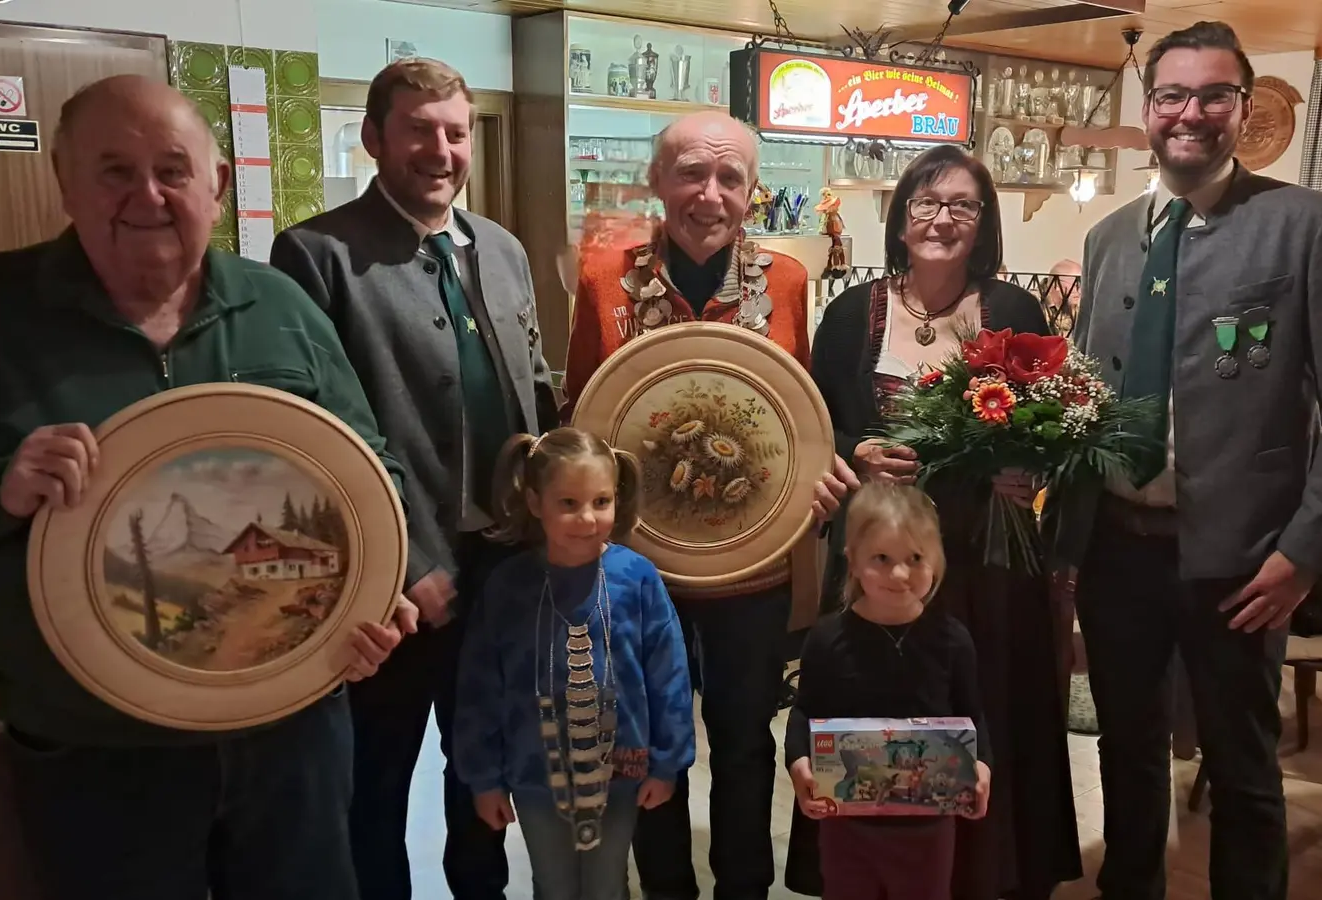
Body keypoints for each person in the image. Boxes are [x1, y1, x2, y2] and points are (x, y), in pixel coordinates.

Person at [0, 75, 415, 900]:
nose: (148, 196)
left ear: (218, 184)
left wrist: (376, 592)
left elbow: (368, 471)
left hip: (291, 737)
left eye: (172, 169)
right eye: (113, 171)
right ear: (63, 181)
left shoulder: (281, 308)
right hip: (95, 748)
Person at [1059, 21, 1322, 900]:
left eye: (1215, 95)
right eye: (1173, 95)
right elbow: (1088, 398)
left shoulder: (1308, 225)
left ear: (1245, 110)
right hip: (1118, 548)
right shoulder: (1112, 237)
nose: (1191, 113)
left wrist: (1306, 555)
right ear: (1148, 109)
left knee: (1244, 772)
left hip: (1243, 562)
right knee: (1126, 755)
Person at [270, 57, 557, 900]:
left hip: (504, 567)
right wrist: (409, 562)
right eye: (419, 131)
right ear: (373, 139)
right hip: (386, 586)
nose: (441, 149)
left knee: (483, 775)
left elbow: (537, 388)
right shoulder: (316, 254)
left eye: (455, 132)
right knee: (375, 787)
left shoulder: (501, 249)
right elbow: (318, 432)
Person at [561, 110, 857, 900]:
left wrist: (818, 476)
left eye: (730, 177)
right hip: (637, 570)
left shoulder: (787, 281)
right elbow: (579, 416)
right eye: (691, 172)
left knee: (741, 735)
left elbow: (803, 417)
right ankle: (665, 887)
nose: (710, 193)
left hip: (753, 565)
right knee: (648, 737)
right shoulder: (601, 278)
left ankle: (744, 887)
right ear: (658, 181)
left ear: (753, 191)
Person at [799, 144, 1082, 900]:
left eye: (961, 204)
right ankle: (872, 869)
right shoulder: (851, 313)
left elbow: (1053, 430)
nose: (942, 218)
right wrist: (855, 450)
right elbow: (810, 428)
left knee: (976, 701)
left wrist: (1029, 469)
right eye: (925, 203)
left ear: (983, 223)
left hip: (984, 559)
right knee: (875, 699)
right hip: (878, 553)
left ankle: (981, 873)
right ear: (899, 221)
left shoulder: (1015, 311)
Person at [453, 427, 696, 900]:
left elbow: (669, 675)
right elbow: (478, 689)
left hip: (622, 775)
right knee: (554, 886)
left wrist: (667, 763)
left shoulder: (638, 578)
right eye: (568, 503)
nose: (587, 519)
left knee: (608, 886)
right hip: (533, 775)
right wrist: (483, 778)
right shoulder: (507, 587)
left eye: (601, 502)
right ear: (534, 501)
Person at [785, 483, 993, 900]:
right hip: (847, 826)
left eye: (915, 559)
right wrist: (798, 763)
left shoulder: (953, 641)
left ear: (936, 561)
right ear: (854, 562)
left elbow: (973, 714)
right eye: (882, 558)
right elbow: (804, 710)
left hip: (927, 828)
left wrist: (984, 767)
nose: (900, 575)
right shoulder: (827, 639)